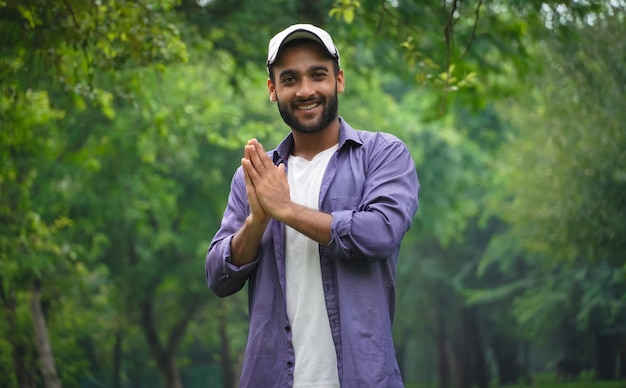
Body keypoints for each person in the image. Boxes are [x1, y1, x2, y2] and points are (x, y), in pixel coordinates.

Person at [205, 23, 419, 387]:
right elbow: (218, 276)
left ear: (339, 79)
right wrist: (257, 222)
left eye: (317, 75)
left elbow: (379, 234)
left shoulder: (382, 155)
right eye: (290, 79)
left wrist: (285, 210)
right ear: (273, 90)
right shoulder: (253, 177)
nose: (305, 90)